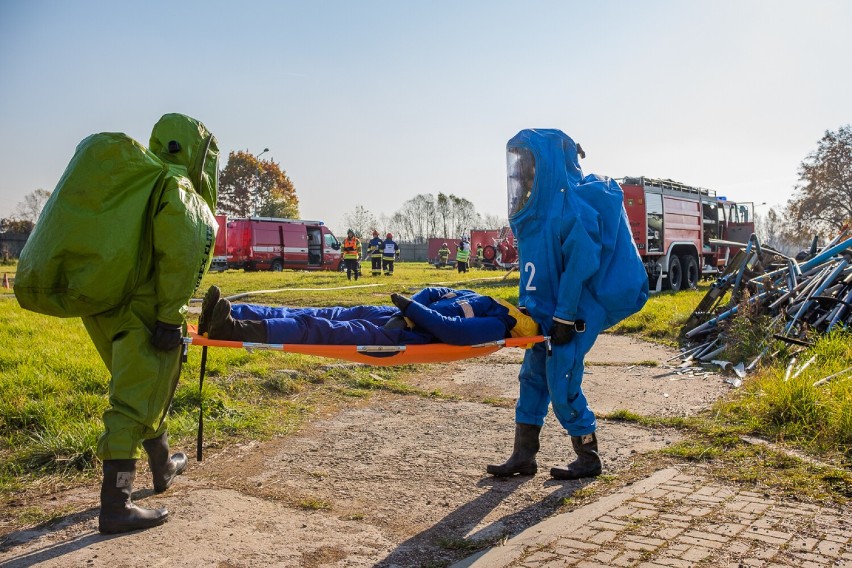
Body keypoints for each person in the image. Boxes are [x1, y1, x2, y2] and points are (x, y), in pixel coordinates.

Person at [487, 129, 647, 481]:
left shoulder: (570, 205)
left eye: (528, 161)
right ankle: (523, 456)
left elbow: (582, 263)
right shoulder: (538, 209)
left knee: (561, 381)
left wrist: (565, 315)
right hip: (543, 312)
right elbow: (538, 266)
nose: (522, 171)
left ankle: (588, 457)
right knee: (531, 378)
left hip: (572, 313)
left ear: (547, 162)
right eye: (519, 163)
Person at [198, 285, 539, 347]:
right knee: (317, 312)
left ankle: (233, 329)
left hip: (406, 334)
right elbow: (436, 292)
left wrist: (410, 312)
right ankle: (228, 312)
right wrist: (407, 306)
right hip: (395, 316)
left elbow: (454, 332)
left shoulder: (500, 324)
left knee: (319, 329)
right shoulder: (487, 300)